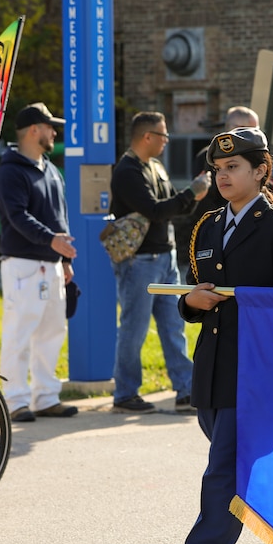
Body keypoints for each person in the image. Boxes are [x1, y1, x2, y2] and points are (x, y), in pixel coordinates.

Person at [166, 127, 273, 544]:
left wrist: (243, 301)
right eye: (218, 168)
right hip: (212, 368)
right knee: (257, 469)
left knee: (224, 471)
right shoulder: (206, 226)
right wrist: (192, 301)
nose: (223, 175)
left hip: (258, 370)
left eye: (233, 168)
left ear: (261, 171)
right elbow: (193, 297)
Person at [109, 111, 212, 414]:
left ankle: (186, 390)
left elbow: (170, 208)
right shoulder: (127, 171)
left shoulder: (154, 166)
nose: (168, 140)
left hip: (164, 258)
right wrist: (192, 193)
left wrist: (191, 196)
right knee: (134, 330)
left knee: (173, 327)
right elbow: (155, 210)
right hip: (139, 262)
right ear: (147, 137)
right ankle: (125, 394)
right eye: (163, 135)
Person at [0, 102, 79, 423]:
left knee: (52, 332)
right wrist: (52, 241)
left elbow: (60, 215)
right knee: (19, 333)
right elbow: (17, 217)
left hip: (52, 263)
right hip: (23, 264)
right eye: (49, 127)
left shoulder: (50, 169)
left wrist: (63, 257)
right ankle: (14, 400)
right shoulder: (11, 171)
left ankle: (45, 397)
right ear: (34, 130)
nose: (54, 132)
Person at [175, 106, 261, 253]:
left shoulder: (257, 158)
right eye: (248, 131)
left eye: (257, 131)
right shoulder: (207, 156)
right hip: (219, 231)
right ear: (233, 128)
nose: (254, 136)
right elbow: (203, 200)